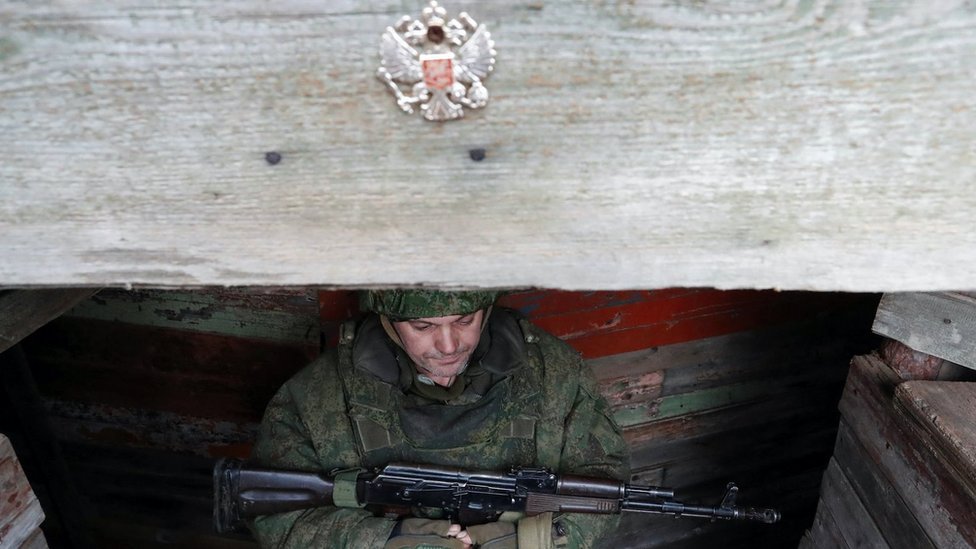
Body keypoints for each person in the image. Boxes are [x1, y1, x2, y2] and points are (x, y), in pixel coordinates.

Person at [249, 289, 630, 548]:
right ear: (388, 321)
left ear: (487, 309)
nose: (449, 346)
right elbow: (277, 517)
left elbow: (605, 486)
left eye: (464, 320)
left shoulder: (555, 374)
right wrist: (385, 540)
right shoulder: (318, 396)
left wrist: (537, 538)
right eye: (423, 326)